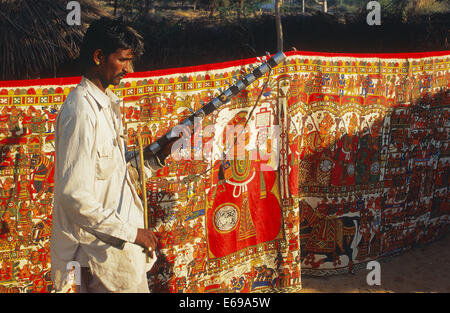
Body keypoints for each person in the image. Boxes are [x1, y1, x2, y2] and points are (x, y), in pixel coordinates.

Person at [50, 17, 174, 293]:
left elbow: (114, 175)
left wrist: (158, 154)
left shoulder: (107, 104)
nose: (128, 69)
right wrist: (134, 234)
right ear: (98, 56)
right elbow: (75, 197)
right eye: (123, 60)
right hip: (97, 257)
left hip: (113, 256)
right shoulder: (81, 111)